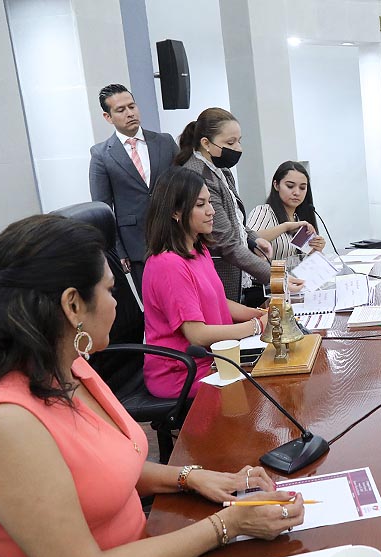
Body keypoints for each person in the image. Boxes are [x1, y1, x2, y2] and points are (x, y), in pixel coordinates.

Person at [0, 214, 303, 557]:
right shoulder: (8, 423)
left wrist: (191, 477)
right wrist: (226, 525)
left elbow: (105, 467)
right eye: (109, 291)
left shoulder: (72, 367)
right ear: (72, 305)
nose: (118, 305)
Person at [142, 167, 270, 399]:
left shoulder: (198, 249)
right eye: (201, 205)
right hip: (185, 371)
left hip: (215, 357)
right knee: (266, 383)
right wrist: (257, 326)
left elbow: (218, 301)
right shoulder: (168, 264)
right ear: (175, 212)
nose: (211, 211)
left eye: (209, 202)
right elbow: (197, 335)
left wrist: (260, 314)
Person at [176, 108, 294, 302]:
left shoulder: (221, 169)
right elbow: (225, 242)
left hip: (236, 273)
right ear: (206, 143)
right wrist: (277, 277)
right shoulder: (197, 176)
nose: (238, 148)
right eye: (230, 143)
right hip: (219, 274)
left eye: (239, 141)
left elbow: (234, 220)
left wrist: (253, 239)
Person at [89, 84, 178, 294]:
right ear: (108, 117)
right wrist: (118, 249)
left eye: (132, 106)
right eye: (121, 110)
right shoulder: (101, 154)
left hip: (176, 234)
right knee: (154, 302)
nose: (130, 113)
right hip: (137, 244)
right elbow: (103, 209)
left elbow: (186, 187)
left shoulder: (164, 141)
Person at [247, 161, 325, 262]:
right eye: (290, 186)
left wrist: (315, 250)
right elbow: (247, 239)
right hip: (268, 272)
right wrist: (286, 226)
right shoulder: (264, 211)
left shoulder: (300, 219)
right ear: (276, 185)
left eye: (302, 188)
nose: (297, 192)